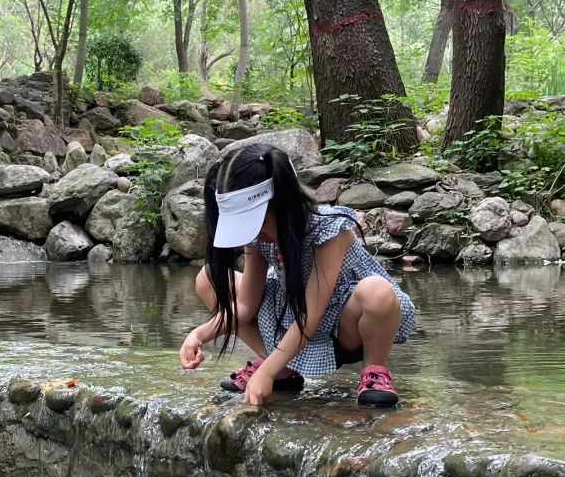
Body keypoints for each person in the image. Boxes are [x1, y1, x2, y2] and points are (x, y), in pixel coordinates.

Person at [178, 143, 415, 407]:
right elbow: (245, 304)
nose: (255, 235)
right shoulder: (259, 238)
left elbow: (311, 314)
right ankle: (280, 367)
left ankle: (373, 372)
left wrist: (264, 372)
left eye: (259, 224)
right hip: (291, 313)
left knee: (377, 291)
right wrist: (199, 334)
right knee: (208, 277)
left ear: (283, 206)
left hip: (345, 325)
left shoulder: (328, 229)